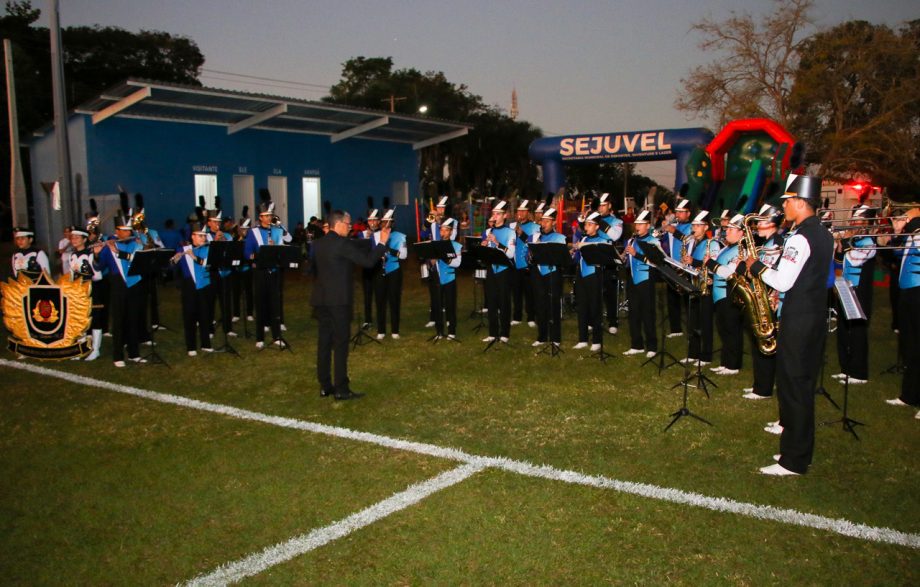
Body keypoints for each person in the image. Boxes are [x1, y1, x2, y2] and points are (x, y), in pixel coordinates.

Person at [744, 174, 834, 476]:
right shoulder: (823, 233)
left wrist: (756, 267)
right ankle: (798, 450)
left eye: (787, 202)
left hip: (798, 320)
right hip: (814, 316)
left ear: (799, 201)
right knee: (803, 385)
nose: (784, 208)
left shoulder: (799, 237)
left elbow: (782, 280)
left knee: (793, 387)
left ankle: (793, 460)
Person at [311, 209, 390, 400]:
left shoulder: (317, 244)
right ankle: (341, 388)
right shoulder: (342, 244)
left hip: (321, 300)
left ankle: (325, 385)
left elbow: (313, 269)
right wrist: (382, 243)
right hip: (339, 301)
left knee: (324, 342)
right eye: (348, 224)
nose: (350, 227)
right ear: (337, 224)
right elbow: (369, 262)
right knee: (340, 344)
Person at [739, 204, 784, 398]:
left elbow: (773, 271)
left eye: (761, 221)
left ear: (772, 222)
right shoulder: (766, 244)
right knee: (759, 343)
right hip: (761, 294)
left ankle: (764, 388)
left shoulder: (778, 243)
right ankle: (760, 384)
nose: (757, 225)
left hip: (769, 297)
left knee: (766, 343)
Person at [831, 205, 877, 385]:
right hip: (845, 286)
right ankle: (846, 368)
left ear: (867, 224)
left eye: (859, 221)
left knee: (857, 331)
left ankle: (859, 372)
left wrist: (847, 243)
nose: (855, 224)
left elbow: (856, 260)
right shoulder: (856, 240)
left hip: (859, 290)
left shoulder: (869, 243)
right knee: (843, 328)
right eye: (854, 221)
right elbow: (839, 261)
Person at [883, 202, 920, 412]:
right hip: (907, 292)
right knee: (910, 347)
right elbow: (892, 254)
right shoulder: (911, 235)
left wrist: (910, 223)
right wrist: (898, 231)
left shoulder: (917, 230)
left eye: (905, 216)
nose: (902, 219)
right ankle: (909, 395)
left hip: (918, 292)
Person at [98, 214, 146, 367]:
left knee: (133, 319)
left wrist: (139, 243)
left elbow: (138, 258)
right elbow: (99, 267)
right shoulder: (108, 246)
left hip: (135, 284)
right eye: (123, 231)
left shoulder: (135, 243)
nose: (127, 234)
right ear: (116, 231)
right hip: (118, 286)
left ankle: (134, 353)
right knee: (118, 321)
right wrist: (96, 254)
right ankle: (117, 356)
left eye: (128, 230)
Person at [243, 200, 291, 349]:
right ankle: (260, 337)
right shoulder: (253, 232)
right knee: (261, 303)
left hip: (274, 272)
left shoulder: (276, 230)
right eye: (266, 216)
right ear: (260, 217)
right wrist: (258, 256)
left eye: (270, 215)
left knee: (275, 304)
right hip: (260, 272)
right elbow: (246, 253)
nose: (269, 218)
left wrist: (280, 225)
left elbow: (289, 239)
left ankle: (277, 335)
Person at [704, 213, 746, 376]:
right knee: (723, 328)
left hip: (730, 293)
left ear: (741, 233)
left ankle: (733, 364)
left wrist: (710, 263)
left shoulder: (741, 249)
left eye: (731, 229)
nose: (726, 231)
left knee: (732, 328)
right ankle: (725, 361)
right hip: (719, 293)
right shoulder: (727, 247)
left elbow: (729, 272)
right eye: (726, 228)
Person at [681, 211, 720, 366]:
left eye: (698, 225)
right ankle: (693, 353)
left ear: (706, 227)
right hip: (694, 285)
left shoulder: (712, 243)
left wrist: (694, 262)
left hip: (707, 287)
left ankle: (706, 355)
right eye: (693, 225)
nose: (694, 228)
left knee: (705, 322)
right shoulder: (692, 243)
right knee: (693, 322)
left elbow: (713, 266)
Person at [171, 223, 213, 356]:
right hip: (188, 287)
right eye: (200, 236)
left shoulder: (207, 248)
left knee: (205, 316)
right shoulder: (184, 248)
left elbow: (208, 263)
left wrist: (194, 257)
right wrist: (175, 260)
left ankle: (206, 343)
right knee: (189, 316)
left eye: (204, 236)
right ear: (193, 236)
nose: (203, 238)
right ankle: (191, 347)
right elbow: (171, 267)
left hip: (204, 286)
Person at [623, 210, 659, 357]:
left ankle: (652, 346)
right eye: (636, 223)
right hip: (632, 279)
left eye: (640, 224)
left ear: (648, 225)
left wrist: (635, 254)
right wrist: (623, 257)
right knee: (634, 312)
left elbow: (657, 262)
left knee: (647, 313)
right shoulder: (632, 240)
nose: (637, 226)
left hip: (646, 279)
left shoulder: (653, 241)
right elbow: (628, 261)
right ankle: (636, 344)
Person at [67, 225, 106, 360]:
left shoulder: (90, 254)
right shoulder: (72, 255)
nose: (74, 239)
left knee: (95, 319)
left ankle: (96, 349)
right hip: (78, 291)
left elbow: (98, 275)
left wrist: (86, 283)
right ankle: (81, 347)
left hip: (93, 289)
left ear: (84, 239)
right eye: (73, 237)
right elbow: (72, 274)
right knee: (80, 319)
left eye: (78, 237)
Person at [572, 212, 610, 351]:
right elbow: (577, 259)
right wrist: (575, 251)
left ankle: (597, 340)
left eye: (589, 225)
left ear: (597, 226)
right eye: (586, 224)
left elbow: (605, 258)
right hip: (581, 274)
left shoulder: (602, 240)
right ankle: (582, 339)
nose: (586, 227)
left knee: (595, 307)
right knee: (582, 306)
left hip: (594, 275)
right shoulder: (584, 238)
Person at [530, 206, 567, 347]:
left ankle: (555, 337)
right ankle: (542, 336)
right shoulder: (535, 236)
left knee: (553, 305)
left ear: (553, 222)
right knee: (540, 304)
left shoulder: (560, 238)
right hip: (538, 273)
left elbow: (562, 258)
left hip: (553, 273)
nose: (543, 224)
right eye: (542, 221)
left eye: (546, 221)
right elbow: (528, 254)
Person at [481, 200, 516, 343]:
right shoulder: (489, 231)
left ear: (505, 216)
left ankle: (504, 334)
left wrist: (497, 243)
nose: (494, 216)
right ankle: (492, 332)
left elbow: (511, 254)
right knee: (491, 301)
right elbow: (487, 253)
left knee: (503, 302)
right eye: (493, 214)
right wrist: (483, 246)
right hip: (491, 269)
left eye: (498, 214)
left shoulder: (510, 232)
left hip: (504, 270)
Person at [374, 209, 407, 339]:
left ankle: (395, 330)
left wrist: (391, 250)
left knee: (394, 300)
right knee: (380, 301)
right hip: (379, 270)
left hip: (394, 270)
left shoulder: (400, 236)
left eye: (388, 222)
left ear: (392, 223)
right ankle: (381, 330)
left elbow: (404, 255)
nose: (385, 225)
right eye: (383, 222)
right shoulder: (376, 236)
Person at [662, 198, 692, 337]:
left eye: (681, 212)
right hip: (673, 263)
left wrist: (672, 230)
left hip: (686, 266)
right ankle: (675, 328)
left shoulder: (692, 226)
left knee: (687, 300)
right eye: (677, 212)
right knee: (672, 296)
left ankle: (691, 328)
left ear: (689, 213)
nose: (678, 214)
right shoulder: (675, 225)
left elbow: (688, 239)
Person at [596, 193, 624, 334]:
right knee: (594, 291)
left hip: (609, 259)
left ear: (609, 206)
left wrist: (599, 222)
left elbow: (615, 236)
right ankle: (594, 320)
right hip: (594, 257)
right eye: (599, 205)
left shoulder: (616, 221)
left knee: (610, 292)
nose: (600, 208)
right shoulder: (593, 219)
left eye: (603, 205)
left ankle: (613, 321)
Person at [431, 218, 462, 339]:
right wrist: (431, 262)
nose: (442, 232)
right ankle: (439, 331)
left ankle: (452, 331)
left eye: (446, 230)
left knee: (450, 306)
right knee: (437, 305)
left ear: (450, 232)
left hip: (450, 279)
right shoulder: (435, 245)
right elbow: (430, 261)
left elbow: (457, 263)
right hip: (437, 279)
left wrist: (443, 256)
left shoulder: (456, 246)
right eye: (441, 230)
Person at [511, 199, 538, 327]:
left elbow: (533, 244)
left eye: (523, 211)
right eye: (518, 211)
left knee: (530, 292)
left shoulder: (534, 227)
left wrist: (521, 234)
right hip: (515, 264)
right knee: (516, 291)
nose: (520, 213)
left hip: (528, 264)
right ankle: (517, 316)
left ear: (528, 213)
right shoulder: (512, 226)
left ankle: (531, 317)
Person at [357, 208, 381, 329]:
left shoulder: (382, 234)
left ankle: (381, 318)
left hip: (379, 268)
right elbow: (360, 252)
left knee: (379, 294)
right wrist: (366, 239)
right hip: (367, 269)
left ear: (378, 221)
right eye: (370, 220)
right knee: (367, 295)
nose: (372, 222)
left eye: (374, 220)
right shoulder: (361, 234)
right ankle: (368, 320)